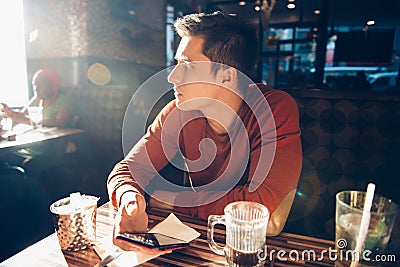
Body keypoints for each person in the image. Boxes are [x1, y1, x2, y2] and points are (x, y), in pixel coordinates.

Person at [108, 11, 302, 237]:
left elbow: (267, 216)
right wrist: (130, 198)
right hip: (202, 239)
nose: (172, 77)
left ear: (227, 77)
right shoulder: (178, 113)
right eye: (176, 63)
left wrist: (174, 202)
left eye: (187, 66)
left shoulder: (274, 109)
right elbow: (127, 171)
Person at [1, 69, 73, 128]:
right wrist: (11, 113)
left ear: (53, 86)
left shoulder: (64, 101)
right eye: (34, 85)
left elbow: (61, 123)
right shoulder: (36, 100)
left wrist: (28, 120)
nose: (36, 89)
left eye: (40, 85)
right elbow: (22, 115)